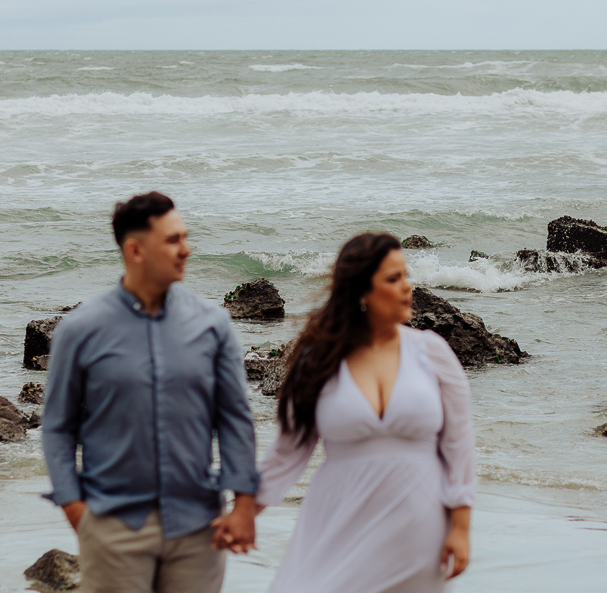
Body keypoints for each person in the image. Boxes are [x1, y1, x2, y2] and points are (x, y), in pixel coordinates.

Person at [41, 191, 260, 593]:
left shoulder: (213, 324)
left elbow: (234, 419)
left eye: (185, 237)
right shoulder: (80, 330)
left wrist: (244, 503)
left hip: (199, 527)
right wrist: (74, 508)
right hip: (113, 526)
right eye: (173, 240)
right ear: (135, 250)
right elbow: (57, 426)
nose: (186, 250)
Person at [256, 232, 476, 592]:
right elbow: (289, 449)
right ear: (361, 291)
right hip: (339, 521)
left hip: (418, 528)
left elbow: (459, 444)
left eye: (406, 275)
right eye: (393, 278)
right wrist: (246, 512)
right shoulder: (319, 360)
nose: (408, 287)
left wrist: (461, 528)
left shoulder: (432, 353)